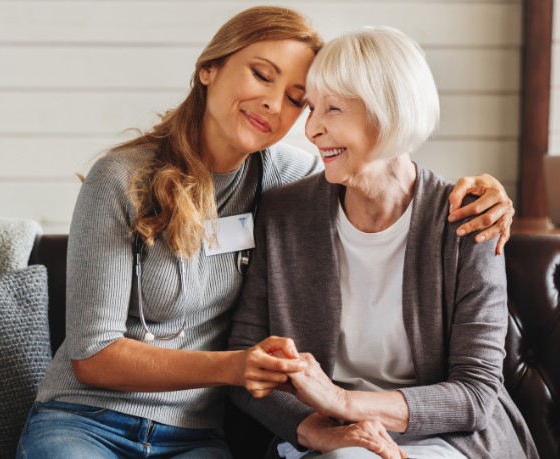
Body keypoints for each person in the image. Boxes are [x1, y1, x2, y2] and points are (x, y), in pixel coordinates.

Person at [16, 7, 517, 459]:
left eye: (298, 100)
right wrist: (243, 374)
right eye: (261, 74)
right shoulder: (125, 180)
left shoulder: (287, 180)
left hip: (193, 434)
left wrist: (492, 195)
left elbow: (378, 169)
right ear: (209, 68)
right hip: (86, 419)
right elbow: (93, 355)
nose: (284, 111)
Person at [228, 26, 538, 459]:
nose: (312, 129)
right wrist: (318, 428)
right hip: (328, 437)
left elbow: (475, 394)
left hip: (450, 438)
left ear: (390, 112)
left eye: (333, 108)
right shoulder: (284, 214)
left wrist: (342, 401)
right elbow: (245, 363)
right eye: (312, 108)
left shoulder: (469, 221)